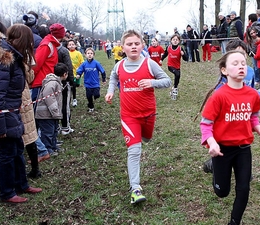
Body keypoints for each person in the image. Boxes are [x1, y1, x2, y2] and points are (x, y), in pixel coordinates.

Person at [199, 50, 260, 225]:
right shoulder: (219, 96)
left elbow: (253, 116)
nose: (241, 66)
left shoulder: (252, 94)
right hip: (222, 150)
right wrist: (212, 143)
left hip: (243, 148)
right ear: (224, 70)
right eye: (235, 63)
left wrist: (259, 130)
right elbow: (206, 124)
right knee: (222, 192)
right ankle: (214, 166)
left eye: (243, 63)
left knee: (244, 188)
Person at [105, 30, 171, 204]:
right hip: (128, 117)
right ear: (122, 47)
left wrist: (152, 82)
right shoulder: (119, 66)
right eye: (129, 44)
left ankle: (141, 136)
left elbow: (167, 81)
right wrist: (110, 91)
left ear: (142, 45)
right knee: (134, 151)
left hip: (148, 114)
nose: (133, 47)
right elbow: (113, 77)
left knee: (147, 138)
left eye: (136, 43)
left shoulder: (150, 64)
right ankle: (135, 188)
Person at [0, 24, 42, 203]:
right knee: (7, 154)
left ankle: (21, 184)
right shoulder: (3, 61)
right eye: (29, 41)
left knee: (17, 150)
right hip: (2, 115)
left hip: (12, 112)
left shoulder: (14, 57)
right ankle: (7, 193)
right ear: (23, 40)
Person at [35, 63, 67, 155]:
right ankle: (47, 149)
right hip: (45, 114)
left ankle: (53, 146)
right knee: (47, 133)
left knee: (53, 131)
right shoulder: (52, 83)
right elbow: (48, 97)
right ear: (65, 74)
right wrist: (55, 110)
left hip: (51, 114)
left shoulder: (57, 82)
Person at [76, 48, 106, 112]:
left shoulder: (96, 63)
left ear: (93, 55)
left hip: (95, 83)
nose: (90, 55)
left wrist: (103, 79)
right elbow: (80, 70)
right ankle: (91, 106)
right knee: (89, 96)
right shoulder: (84, 64)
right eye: (88, 53)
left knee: (96, 95)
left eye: (91, 53)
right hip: (87, 84)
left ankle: (95, 96)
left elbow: (102, 71)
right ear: (85, 55)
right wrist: (78, 75)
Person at [161, 34, 187, 100]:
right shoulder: (169, 48)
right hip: (170, 66)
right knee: (177, 74)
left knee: (178, 77)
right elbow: (165, 54)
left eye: (177, 40)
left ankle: (174, 88)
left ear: (179, 41)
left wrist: (183, 55)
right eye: (173, 40)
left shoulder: (180, 48)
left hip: (177, 66)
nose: (175, 41)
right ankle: (175, 89)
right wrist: (161, 59)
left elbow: (186, 59)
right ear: (171, 41)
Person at [67, 39, 84, 110]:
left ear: (75, 45)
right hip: (69, 73)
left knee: (76, 85)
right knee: (72, 86)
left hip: (77, 73)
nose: (71, 46)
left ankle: (73, 97)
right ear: (67, 46)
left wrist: (80, 69)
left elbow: (82, 62)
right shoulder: (66, 53)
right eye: (70, 45)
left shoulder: (78, 53)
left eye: (72, 44)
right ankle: (74, 99)